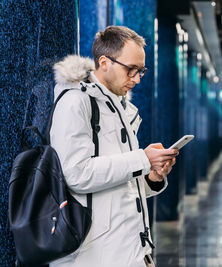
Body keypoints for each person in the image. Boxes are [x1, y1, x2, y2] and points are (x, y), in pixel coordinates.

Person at [49, 26, 178, 267]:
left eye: (142, 71)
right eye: (131, 69)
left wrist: (151, 176)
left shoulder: (119, 107)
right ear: (104, 62)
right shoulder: (76, 101)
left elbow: (118, 183)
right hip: (96, 255)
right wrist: (142, 159)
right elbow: (76, 174)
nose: (137, 78)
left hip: (128, 250)